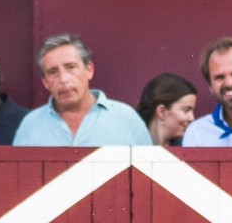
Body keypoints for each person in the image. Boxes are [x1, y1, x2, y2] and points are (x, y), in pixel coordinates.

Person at [13, 33, 151, 146]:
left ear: (89, 70)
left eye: (70, 67)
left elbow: (146, 174)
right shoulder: (30, 125)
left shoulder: (125, 118)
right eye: (53, 72)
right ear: (45, 82)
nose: (63, 79)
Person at [136, 72, 197, 145]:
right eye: (186, 110)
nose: (192, 118)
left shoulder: (189, 147)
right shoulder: (131, 147)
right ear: (161, 112)